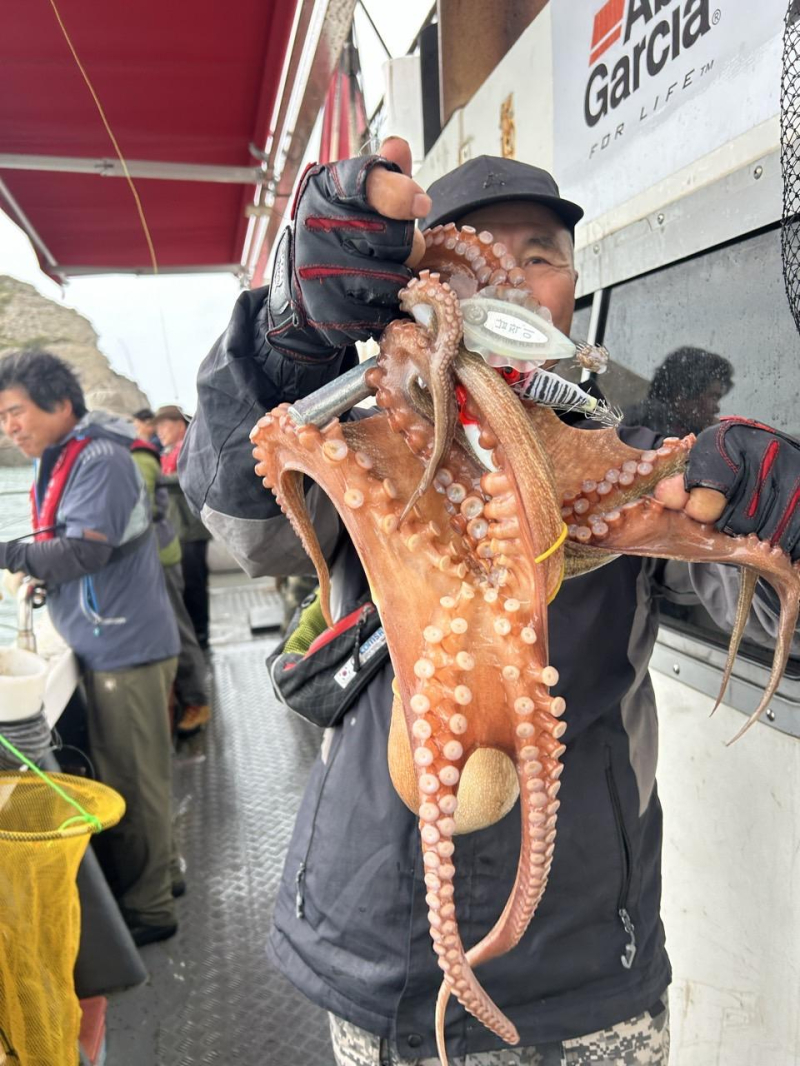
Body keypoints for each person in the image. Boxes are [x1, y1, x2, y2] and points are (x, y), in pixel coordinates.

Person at [179, 139, 800, 1064]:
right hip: (373, 940)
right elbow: (245, 513)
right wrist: (283, 337)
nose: (508, 283)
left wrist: (780, 514)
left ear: (573, 292)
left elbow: (733, 576)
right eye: (463, 262)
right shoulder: (361, 439)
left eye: (540, 256)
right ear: (413, 289)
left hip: (589, 960)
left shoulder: (629, 459)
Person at [0, 350, 181, 947]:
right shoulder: (67, 458)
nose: (10, 427)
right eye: (2, 418)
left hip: (123, 645)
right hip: (113, 638)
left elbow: (85, 551)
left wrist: (10, 555)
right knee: (142, 774)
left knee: (134, 782)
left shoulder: (99, 459)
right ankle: (163, 878)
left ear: (59, 403)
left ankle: (151, 908)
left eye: (15, 412)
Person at [130, 433, 211, 736]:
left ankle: (196, 701)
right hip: (152, 556)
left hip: (159, 558)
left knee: (178, 626)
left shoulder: (139, 458)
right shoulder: (134, 455)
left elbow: (141, 511)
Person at [154, 405, 212, 650]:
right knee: (185, 585)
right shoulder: (166, 453)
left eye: (164, 426)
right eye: (157, 428)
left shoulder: (192, 447)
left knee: (194, 584)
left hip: (191, 530)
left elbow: (187, 480)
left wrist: (155, 481)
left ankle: (200, 635)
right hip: (176, 531)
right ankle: (191, 635)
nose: (159, 432)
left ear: (179, 424)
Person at [624, 347, 734, 439]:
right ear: (682, 395)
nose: (717, 409)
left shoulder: (684, 432)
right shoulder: (639, 434)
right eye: (713, 397)